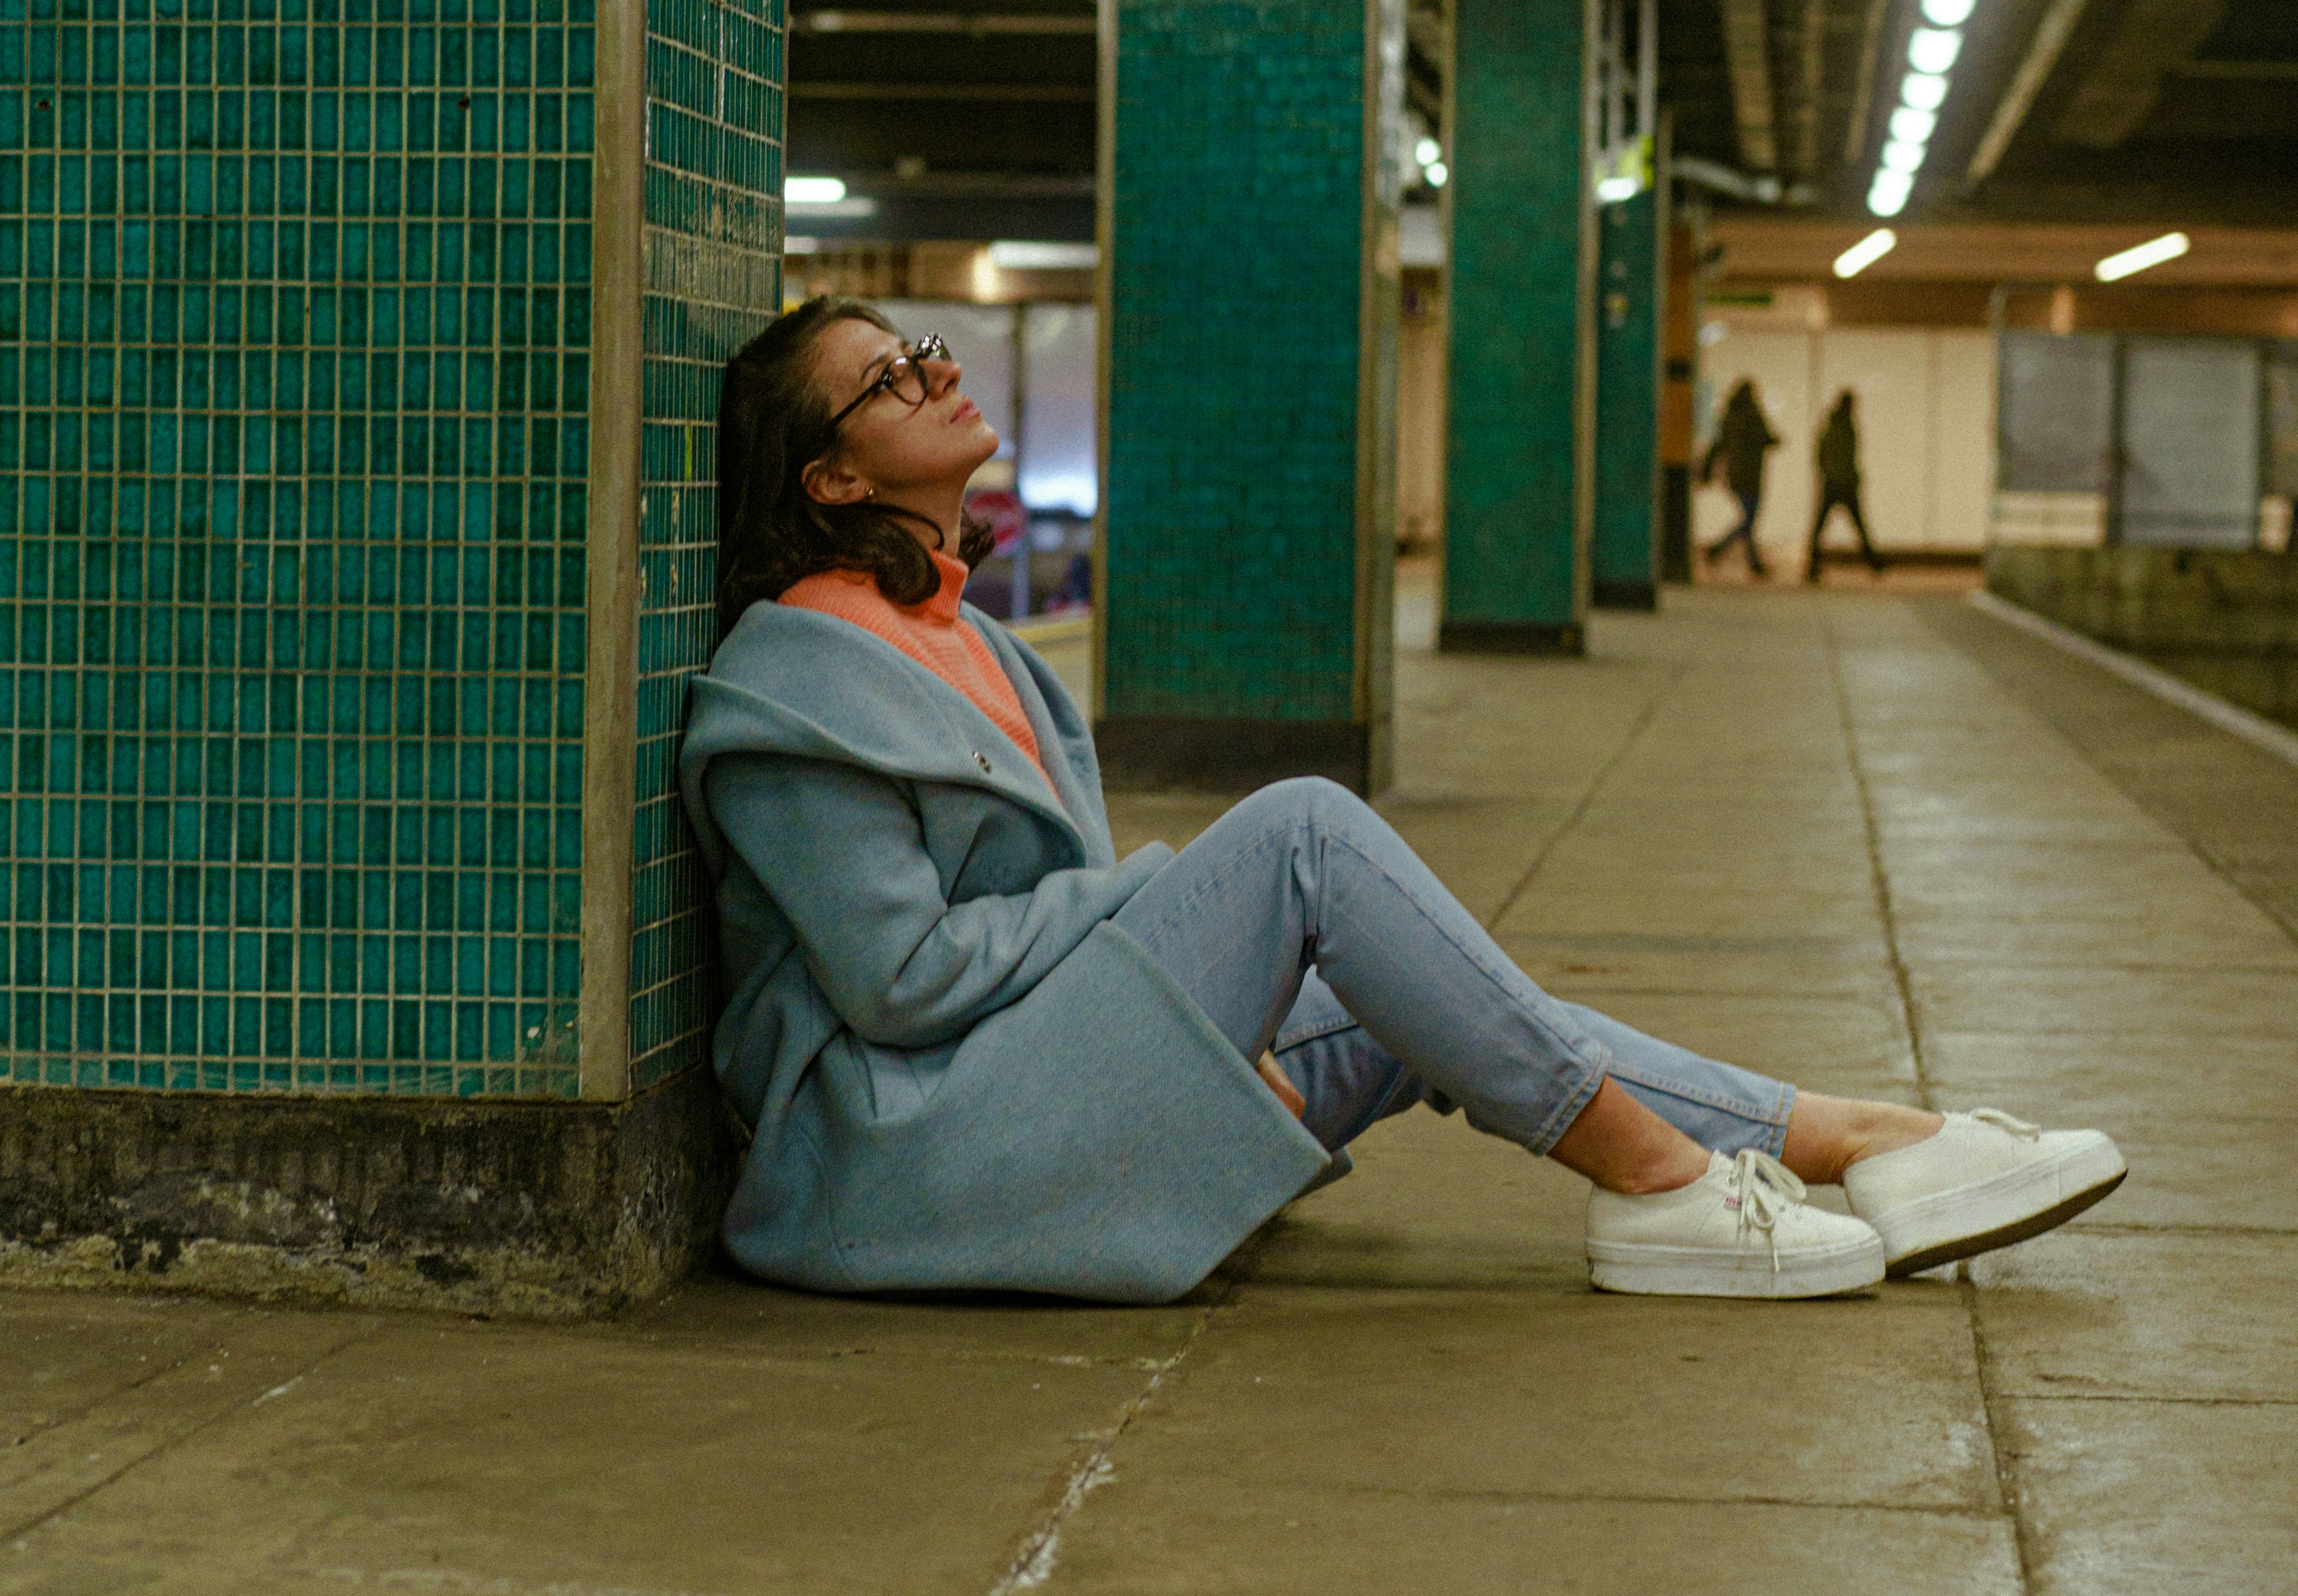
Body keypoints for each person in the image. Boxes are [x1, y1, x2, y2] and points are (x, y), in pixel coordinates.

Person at [680, 300, 2126, 1308]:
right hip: (906, 1155)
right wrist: (1154, 929)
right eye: (886, 380)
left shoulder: (966, 633)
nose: (931, 372)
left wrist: (1171, 1008)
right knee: (1302, 832)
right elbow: (902, 981)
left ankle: (1859, 1142)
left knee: (1412, 993)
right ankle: (1666, 1185)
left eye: (920, 348)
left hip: (1005, 1082)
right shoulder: (799, 680)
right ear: (831, 475)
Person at [1701, 376, 1779, 577]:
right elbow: (1767, 438)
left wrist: (1707, 470)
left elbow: (1717, 445)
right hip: (1751, 475)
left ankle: (1750, 562)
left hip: (1734, 475)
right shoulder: (1754, 415)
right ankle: (1721, 550)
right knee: (1749, 521)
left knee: (1748, 520)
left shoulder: (1729, 416)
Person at [1809, 388, 1886, 582]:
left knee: (1823, 526)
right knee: (1858, 525)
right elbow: (1840, 455)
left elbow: (1822, 453)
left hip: (1835, 481)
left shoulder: (1834, 424)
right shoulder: (1843, 426)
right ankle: (1873, 562)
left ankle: (1813, 566)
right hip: (1843, 482)